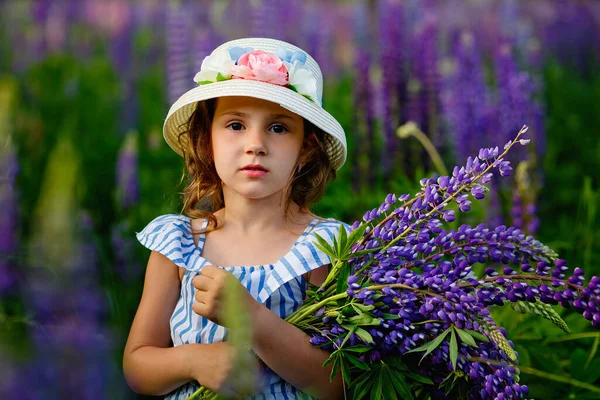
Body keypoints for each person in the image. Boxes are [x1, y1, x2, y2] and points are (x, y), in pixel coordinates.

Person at [122, 38, 349, 399]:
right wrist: (193, 361)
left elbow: (335, 384)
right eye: (235, 125)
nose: (255, 144)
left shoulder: (324, 248)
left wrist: (252, 319)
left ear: (306, 148)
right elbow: (137, 365)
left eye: (278, 128)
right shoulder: (178, 243)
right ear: (206, 140)